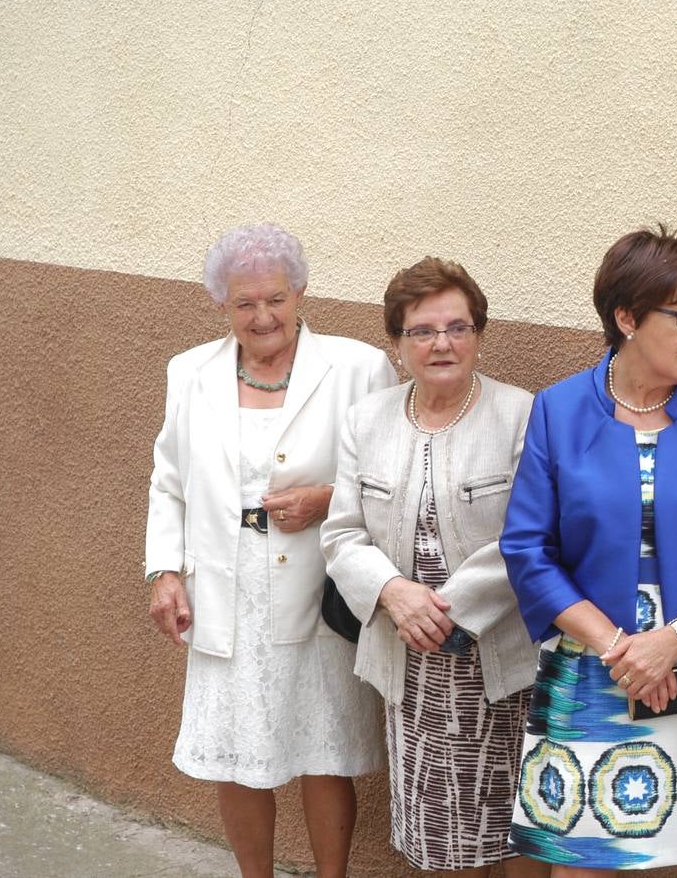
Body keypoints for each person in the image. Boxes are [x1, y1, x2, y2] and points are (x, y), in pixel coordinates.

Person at [502, 226, 677, 876]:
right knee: (584, 857)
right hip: (592, 665)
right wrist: (618, 650)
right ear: (626, 318)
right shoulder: (559, 410)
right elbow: (527, 549)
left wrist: (671, 641)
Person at [144, 223, 395, 878]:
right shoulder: (189, 372)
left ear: (302, 292)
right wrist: (165, 570)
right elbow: (168, 481)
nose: (263, 316)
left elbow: (390, 476)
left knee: (324, 749)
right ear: (221, 305)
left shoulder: (358, 367)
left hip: (317, 587)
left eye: (276, 298)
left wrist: (327, 500)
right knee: (234, 751)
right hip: (224, 591)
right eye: (244, 303)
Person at [321, 256, 545, 877]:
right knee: (438, 830)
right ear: (396, 344)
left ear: (478, 333)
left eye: (458, 327)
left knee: (516, 825)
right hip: (410, 661)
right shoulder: (366, 420)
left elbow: (531, 535)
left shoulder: (521, 413)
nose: (441, 343)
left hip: (500, 659)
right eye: (422, 330)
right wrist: (394, 592)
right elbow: (341, 534)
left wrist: (448, 611)